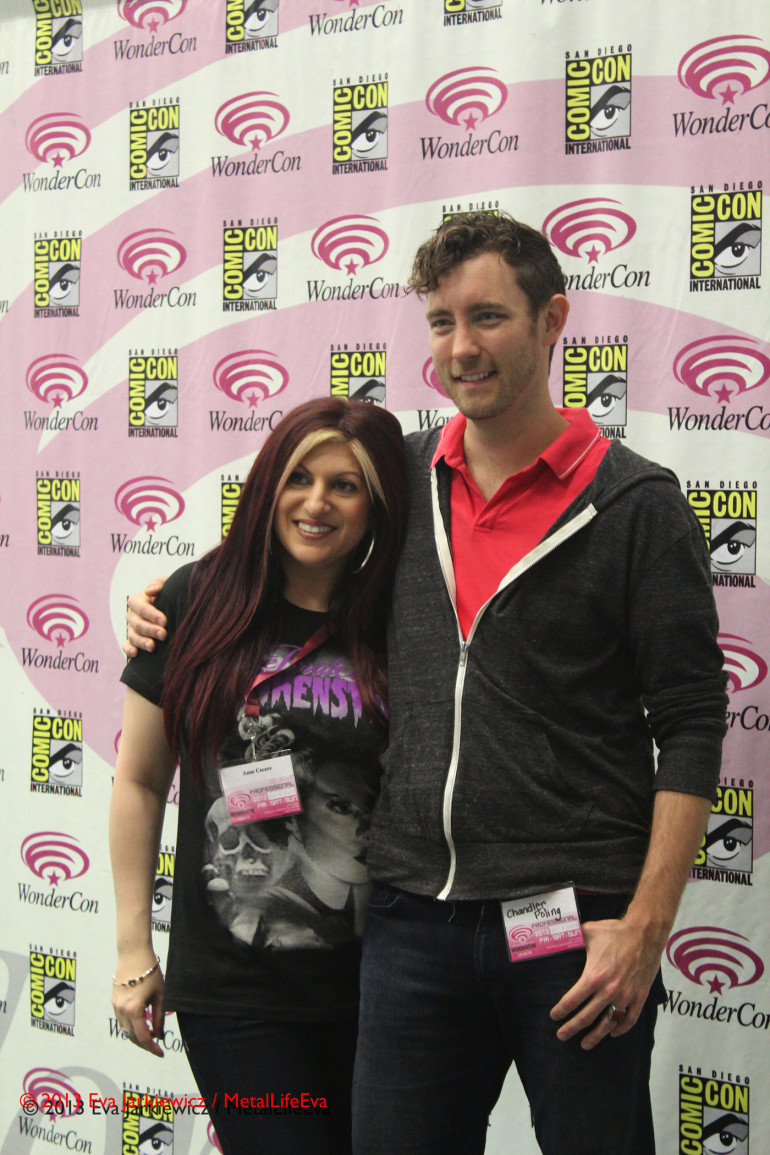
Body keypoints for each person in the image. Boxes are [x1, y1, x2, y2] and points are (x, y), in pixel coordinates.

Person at [125, 213, 728, 1155]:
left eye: (487, 316)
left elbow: (691, 720)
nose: (461, 347)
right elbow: (287, 548)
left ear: (551, 320)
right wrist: (171, 599)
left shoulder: (636, 506)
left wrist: (646, 924)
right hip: (411, 926)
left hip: (569, 926)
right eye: (442, 321)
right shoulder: (402, 482)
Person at [111, 397, 407, 1155]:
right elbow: (139, 782)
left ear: (375, 506)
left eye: (345, 485)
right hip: (235, 995)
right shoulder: (193, 602)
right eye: (299, 477)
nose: (316, 502)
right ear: (268, 484)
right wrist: (133, 951)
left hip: (381, 989)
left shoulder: (400, 620)